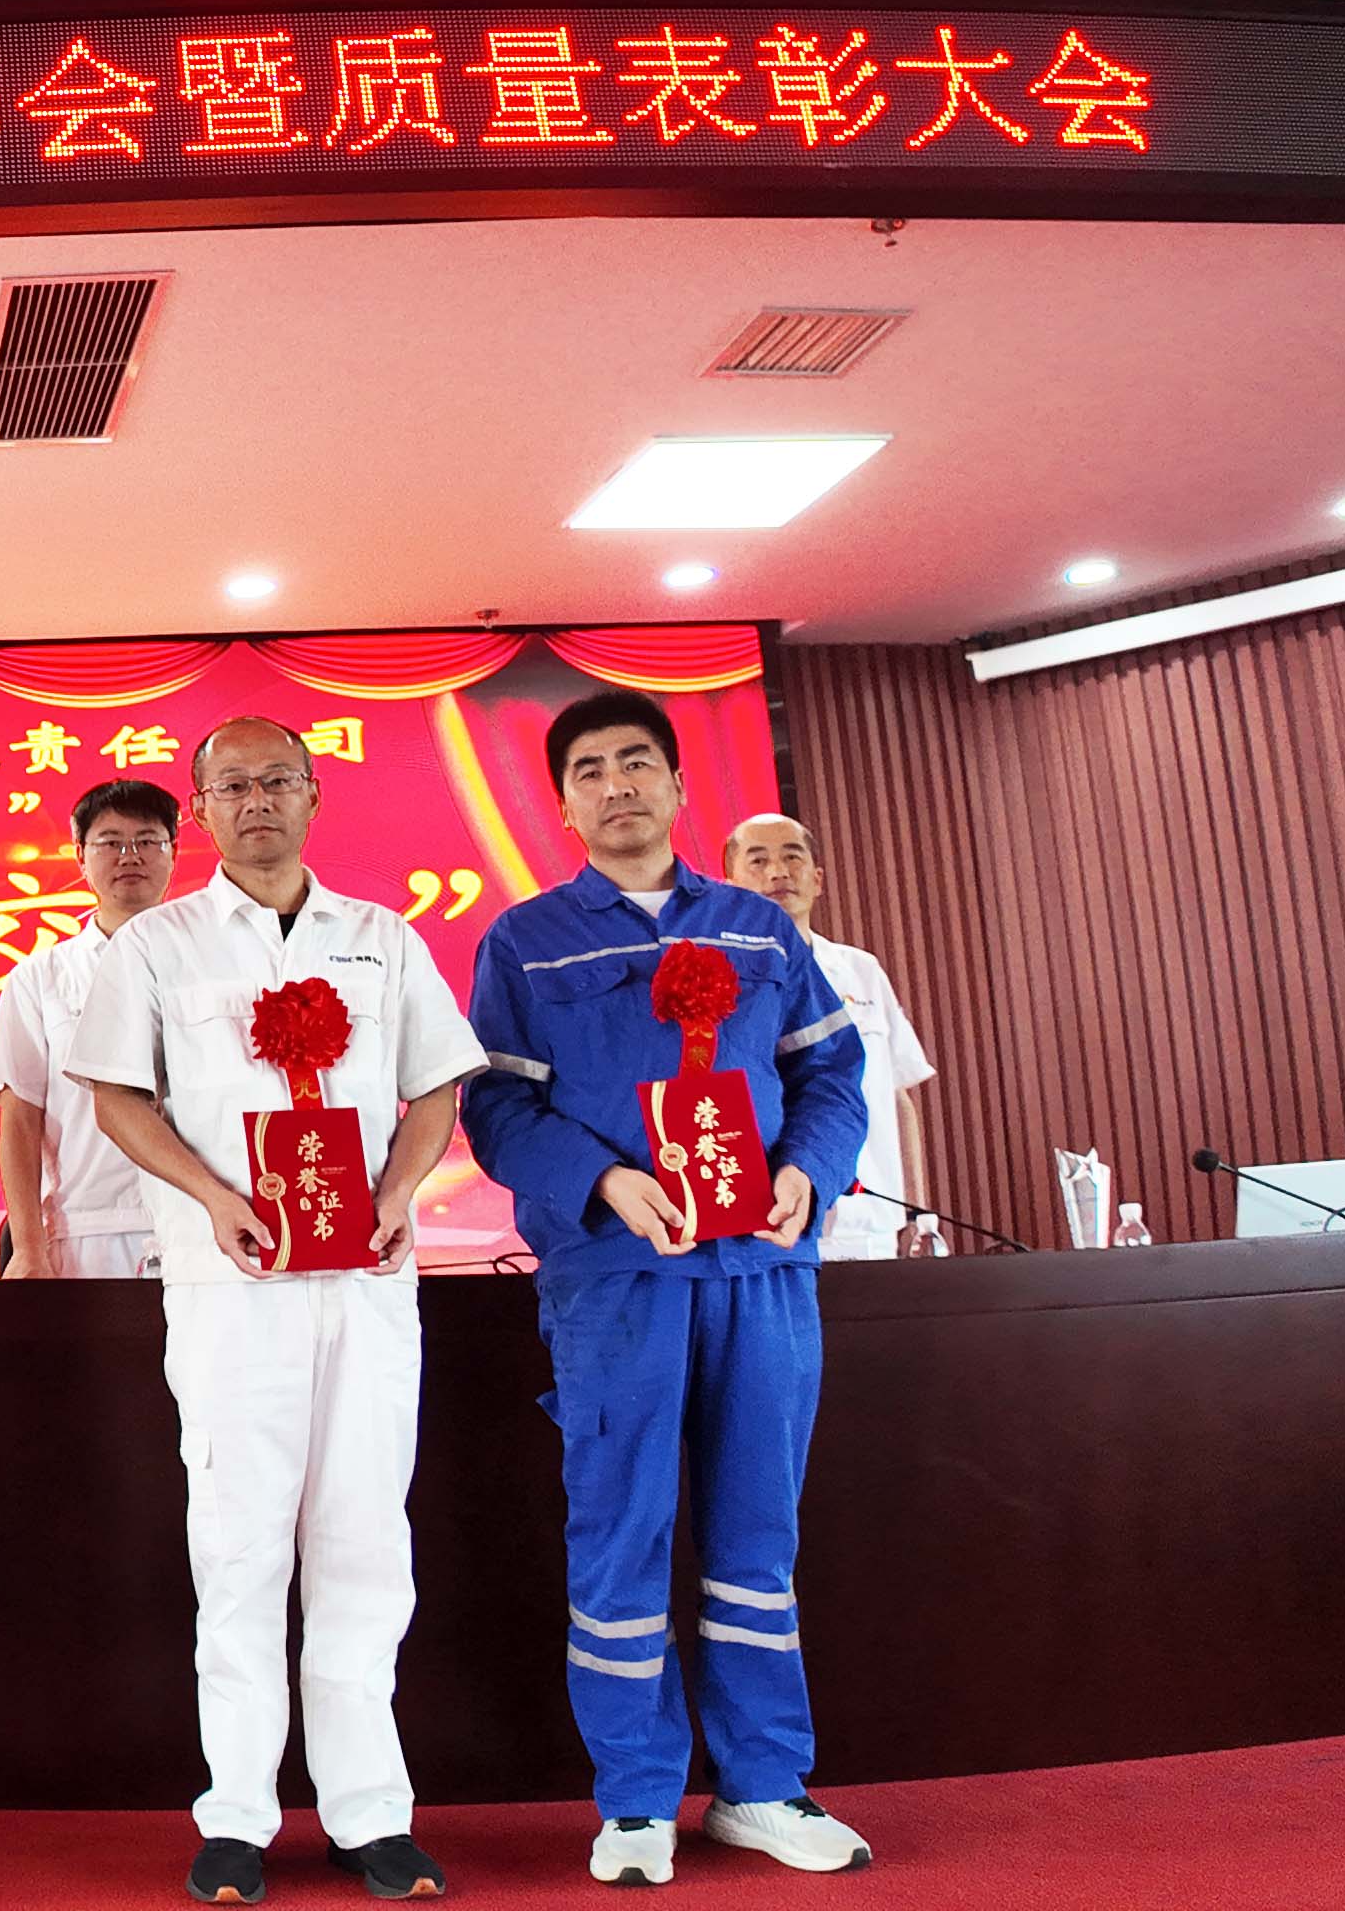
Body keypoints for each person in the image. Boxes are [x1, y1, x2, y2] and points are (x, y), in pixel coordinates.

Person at [65, 718, 485, 1904]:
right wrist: (212, 1197)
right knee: (239, 1546)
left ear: (313, 797)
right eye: (233, 785)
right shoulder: (157, 944)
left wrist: (398, 1193)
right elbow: (117, 1099)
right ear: (199, 809)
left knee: (364, 1542)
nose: (258, 801)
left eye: (278, 782)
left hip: (366, 1282)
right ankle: (238, 1814)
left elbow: (434, 1087)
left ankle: (370, 1811)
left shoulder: (381, 938)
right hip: (230, 1287)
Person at [460, 692, 871, 1886]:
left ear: (680, 786)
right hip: (616, 1278)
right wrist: (601, 1182)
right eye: (589, 769)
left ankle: (763, 1786)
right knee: (621, 1527)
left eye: (637, 761)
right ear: (563, 803)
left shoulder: (758, 930)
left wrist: (808, 1171)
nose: (617, 784)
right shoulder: (526, 941)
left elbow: (832, 1076)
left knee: (758, 1530)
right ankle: (636, 1800)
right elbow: (496, 1105)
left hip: (762, 1268)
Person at [0, 778, 179, 1279]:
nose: (129, 856)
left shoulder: (211, 966)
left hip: (204, 1218)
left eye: (147, 840)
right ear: (80, 857)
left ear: (173, 852)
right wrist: (28, 1247)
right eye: (110, 842)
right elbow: (20, 1118)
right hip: (87, 1229)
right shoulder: (41, 978)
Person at [721, 815, 938, 1262]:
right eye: (758, 861)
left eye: (792, 857)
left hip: (873, 1224)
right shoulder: (718, 980)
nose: (778, 872)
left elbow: (896, 1097)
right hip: (772, 1225)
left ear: (818, 879)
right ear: (730, 887)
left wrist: (916, 1212)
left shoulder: (862, 970)